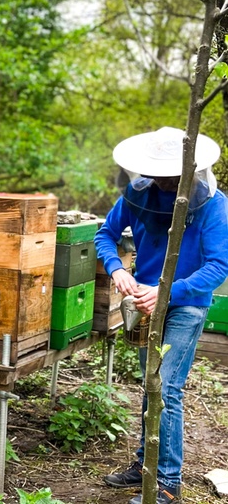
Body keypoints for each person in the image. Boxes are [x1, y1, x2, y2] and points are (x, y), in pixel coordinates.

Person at [95, 127, 228, 504]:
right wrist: (117, 269)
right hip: (144, 302)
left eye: (172, 174)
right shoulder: (138, 194)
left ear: (191, 168)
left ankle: (167, 483)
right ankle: (144, 463)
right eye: (159, 173)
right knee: (150, 384)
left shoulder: (214, 204)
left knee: (166, 386)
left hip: (186, 304)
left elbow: (219, 265)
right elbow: (106, 234)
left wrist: (168, 292)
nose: (165, 181)